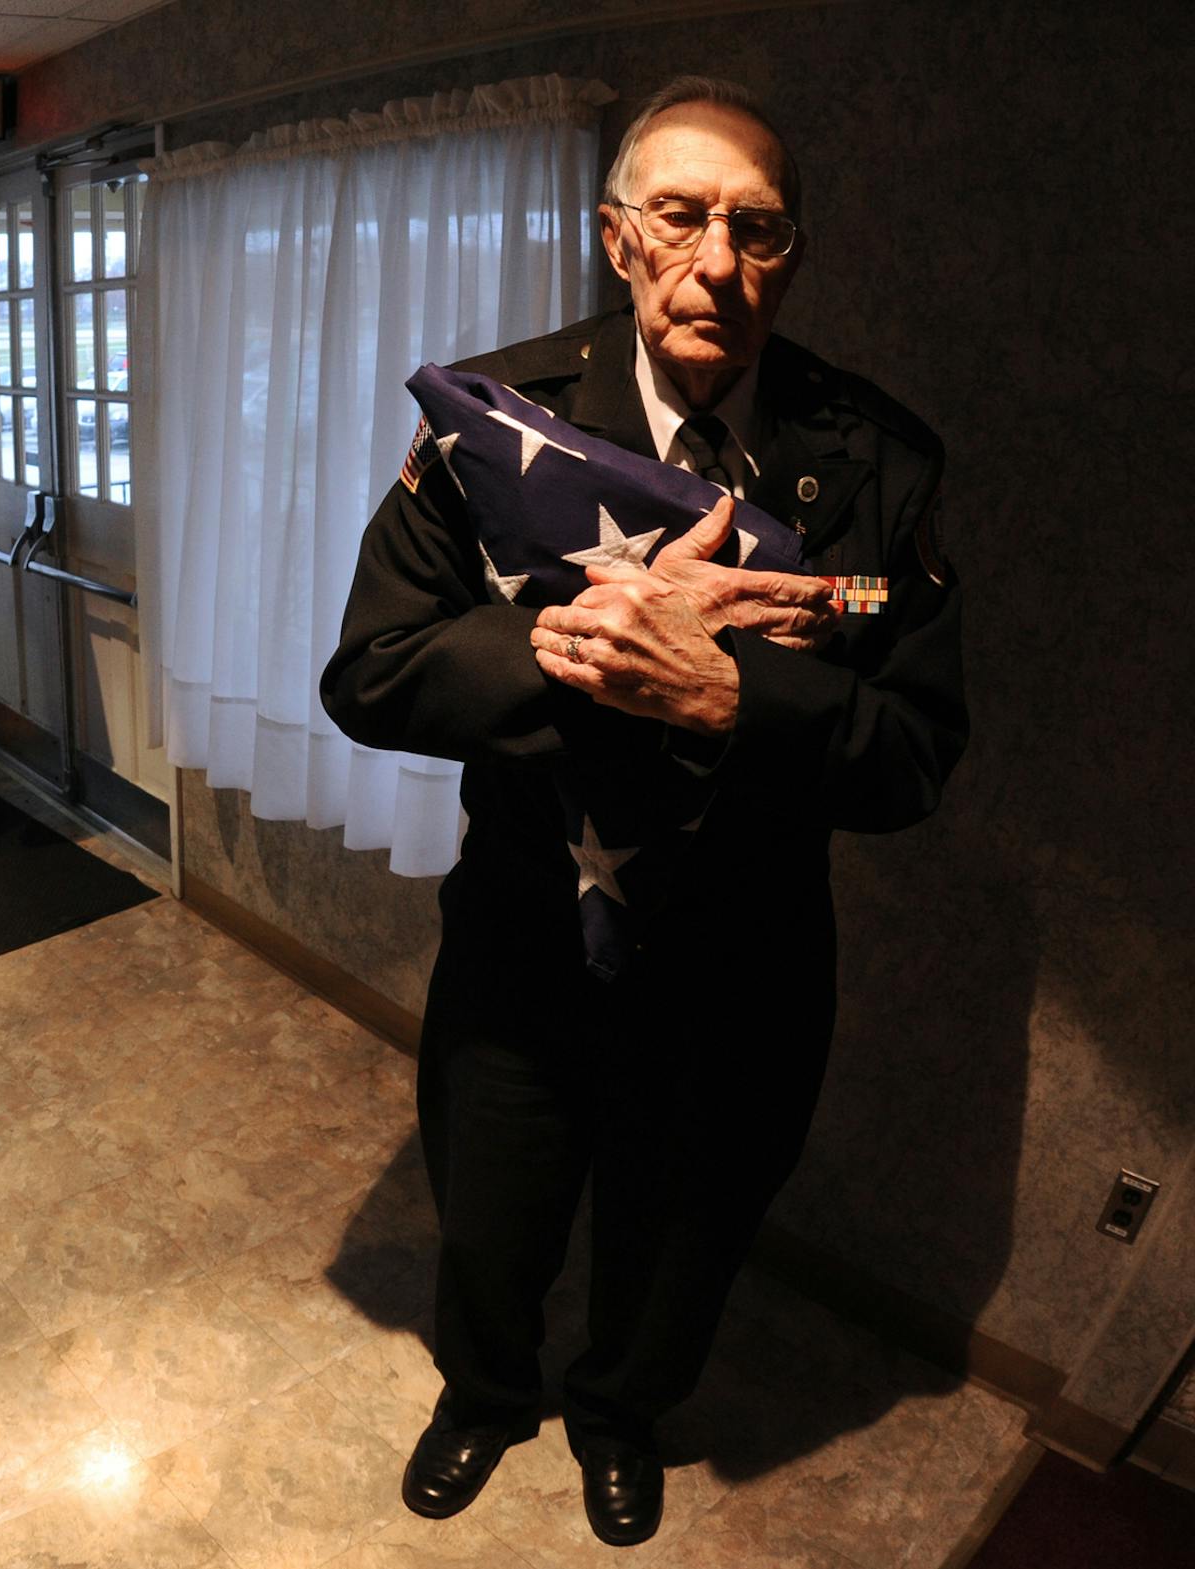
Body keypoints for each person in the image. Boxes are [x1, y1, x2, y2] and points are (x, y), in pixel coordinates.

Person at [320, 77, 966, 1547]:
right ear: (618, 238)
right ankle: (485, 1395)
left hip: (747, 951)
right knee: (491, 1208)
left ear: (793, 255)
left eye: (761, 229)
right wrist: (611, 649)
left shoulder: (881, 464)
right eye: (682, 218)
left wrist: (735, 696)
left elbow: (916, 757)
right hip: (526, 929)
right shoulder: (492, 427)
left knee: (685, 1234)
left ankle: (620, 1416)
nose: (718, 263)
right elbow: (370, 672)